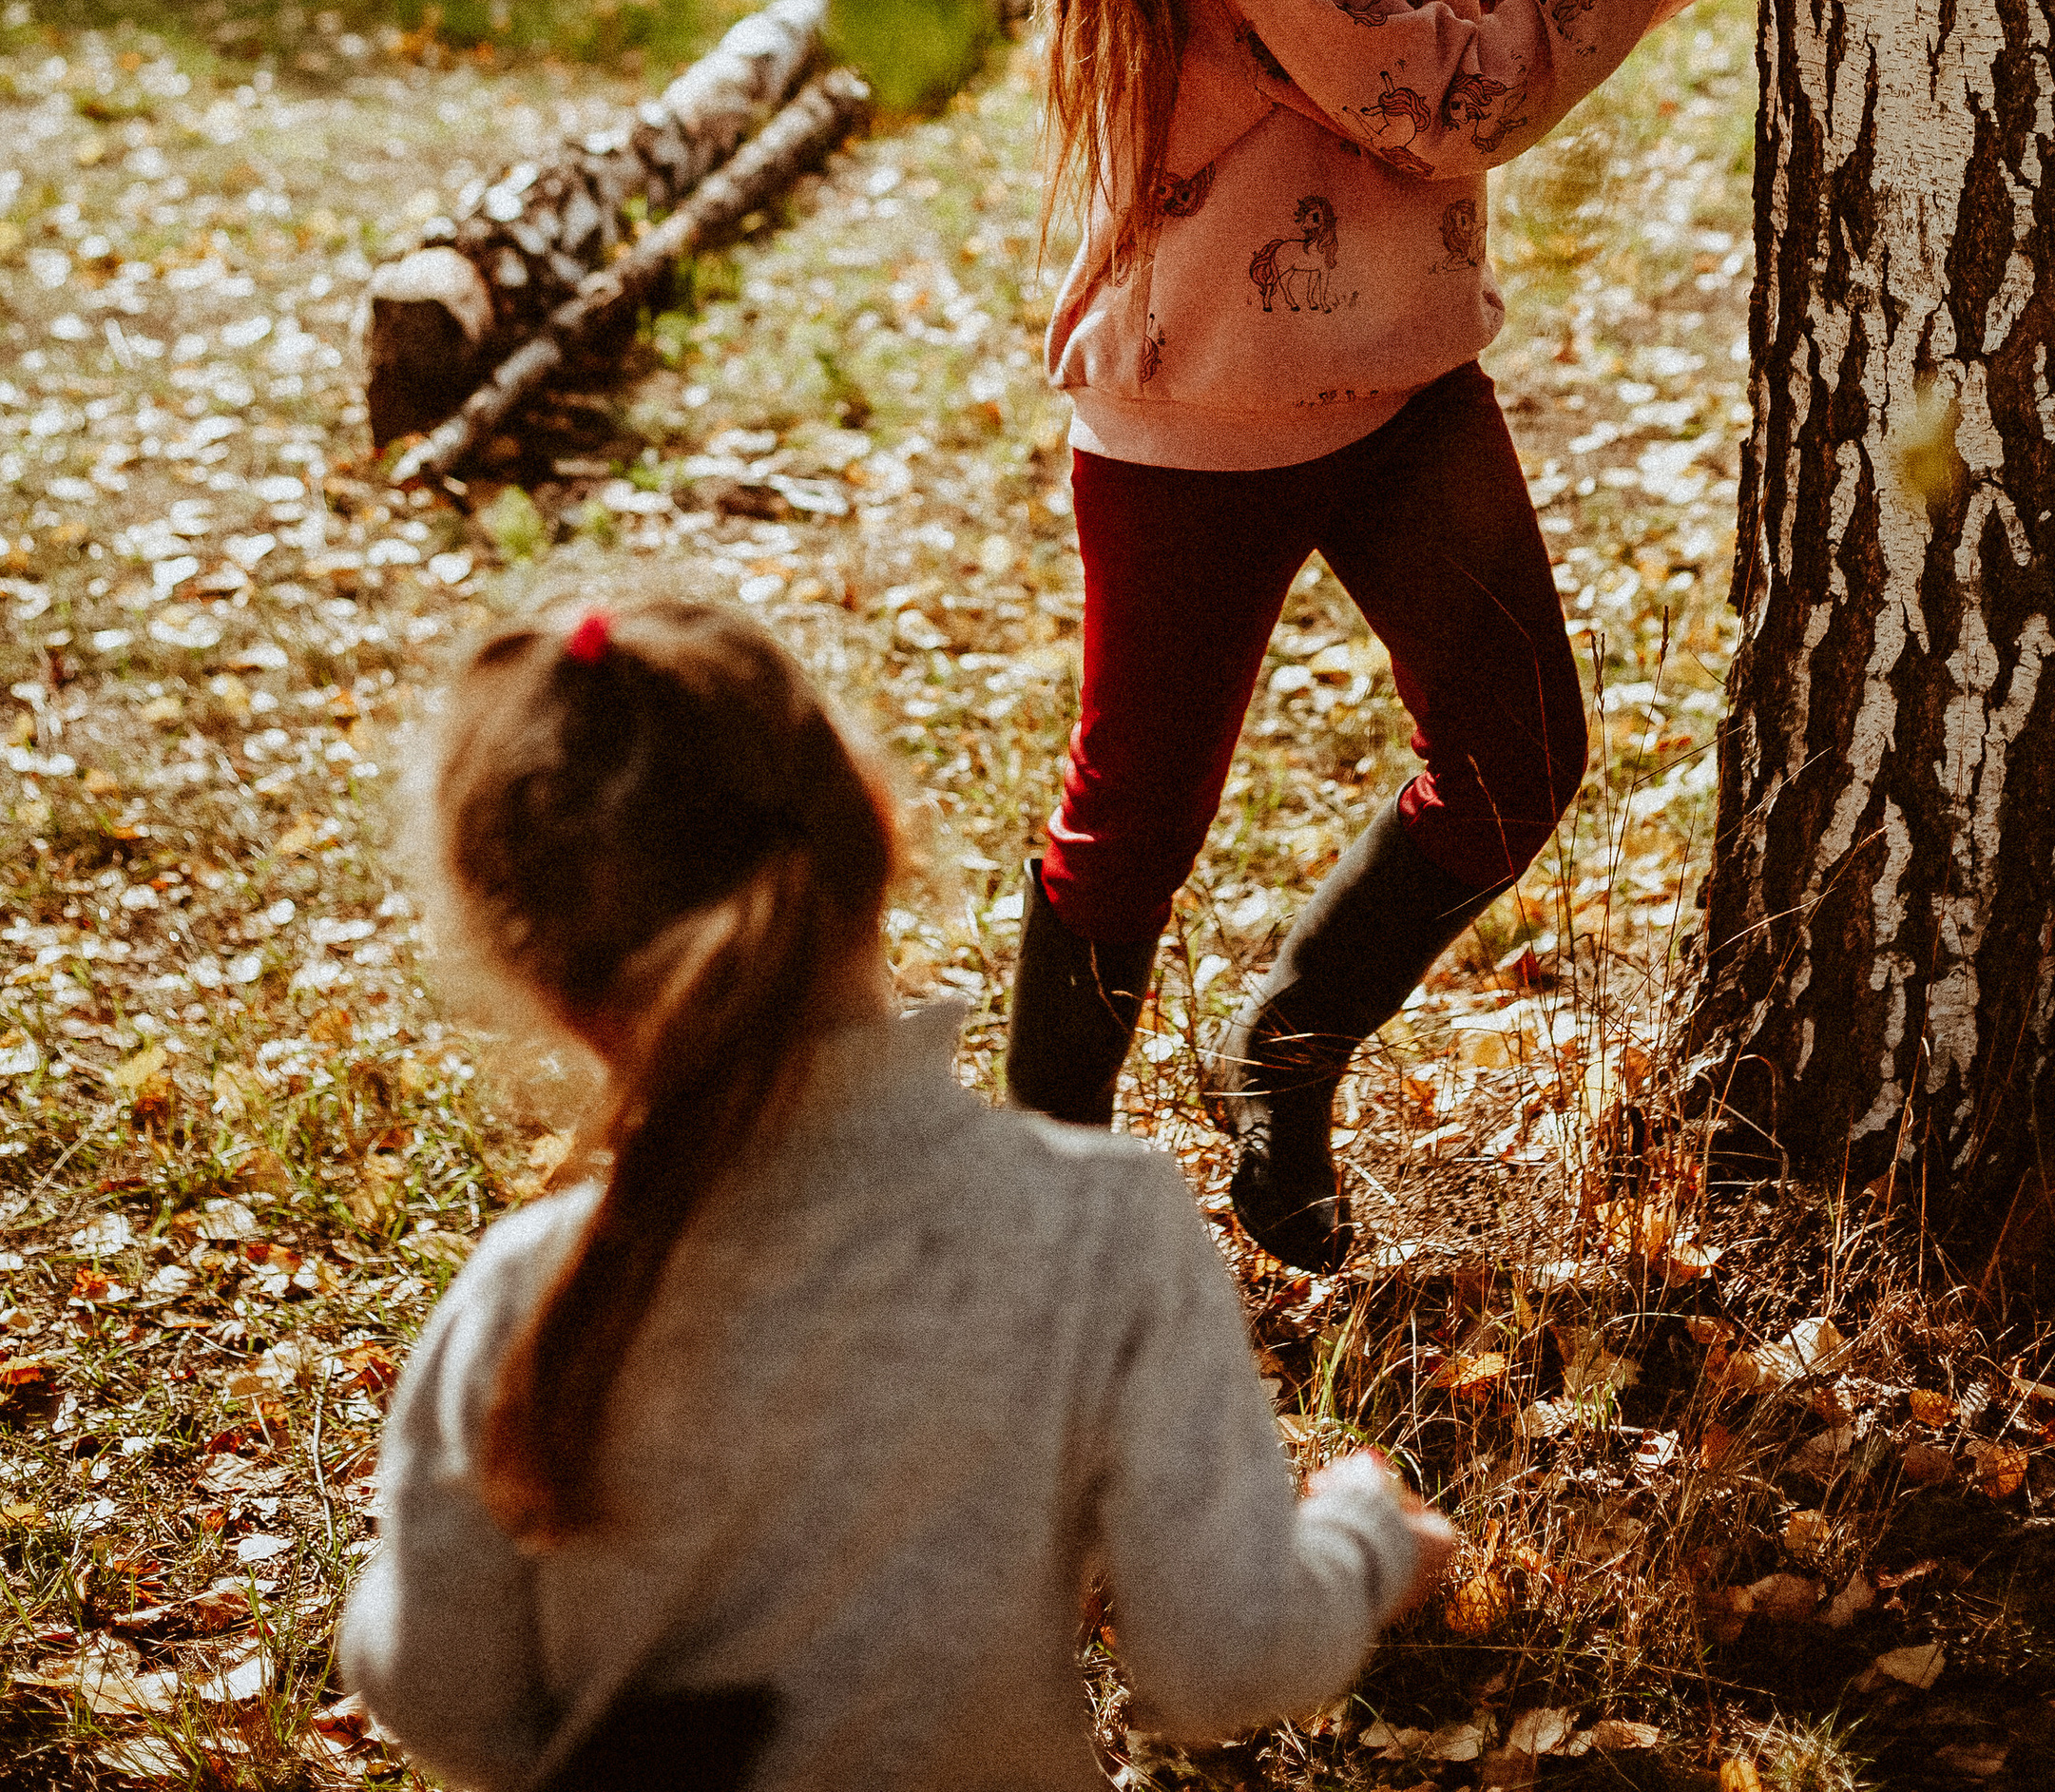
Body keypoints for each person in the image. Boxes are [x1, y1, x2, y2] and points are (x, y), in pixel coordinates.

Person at [1013, 0, 1757, 1270]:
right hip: (1198, 418)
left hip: (1398, 385)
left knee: (1518, 752)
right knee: (1131, 828)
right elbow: (1445, 97)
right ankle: (1030, 1223)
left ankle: (1287, 1051)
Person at [340, 595, 1454, 1792]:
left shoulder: (523, 1291)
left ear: (551, 993)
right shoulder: (1096, 1229)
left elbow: (433, 1688)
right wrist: (1364, 1539)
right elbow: (1226, 1659)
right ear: (873, 828)